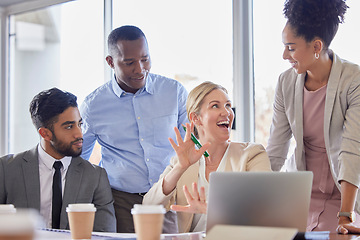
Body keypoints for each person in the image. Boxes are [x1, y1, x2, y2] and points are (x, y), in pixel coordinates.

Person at [80, 25, 188, 233]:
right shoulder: (93, 106)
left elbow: (190, 145)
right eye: (129, 63)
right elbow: (79, 160)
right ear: (111, 62)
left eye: (145, 59)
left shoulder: (174, 92)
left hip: (166, 198)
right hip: (119, 202)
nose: (140, 69)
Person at [266, 0, 360, 234]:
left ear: (316, 46)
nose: (284, 55)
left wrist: (345, 216)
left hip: (344, 199)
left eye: (291, 47)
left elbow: (352, 150)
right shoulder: (285, 82)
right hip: (300, 198)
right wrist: (254, 202)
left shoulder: (353, 80)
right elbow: (275, 150)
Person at [143, 81, 272, 232]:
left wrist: (211, 210)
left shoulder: (252, 154)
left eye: (228, 105)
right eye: (215, 106)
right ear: (196, 118)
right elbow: (148, 206)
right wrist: (179, 168)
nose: (226, 112)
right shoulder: (182, 162)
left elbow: (265, 210)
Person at [0, 88, 116, 232]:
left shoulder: (96, 176)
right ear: (45, 134)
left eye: (80, 124)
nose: (79, 134)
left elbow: (105, 233)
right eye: (69, 126)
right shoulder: (6, 169)